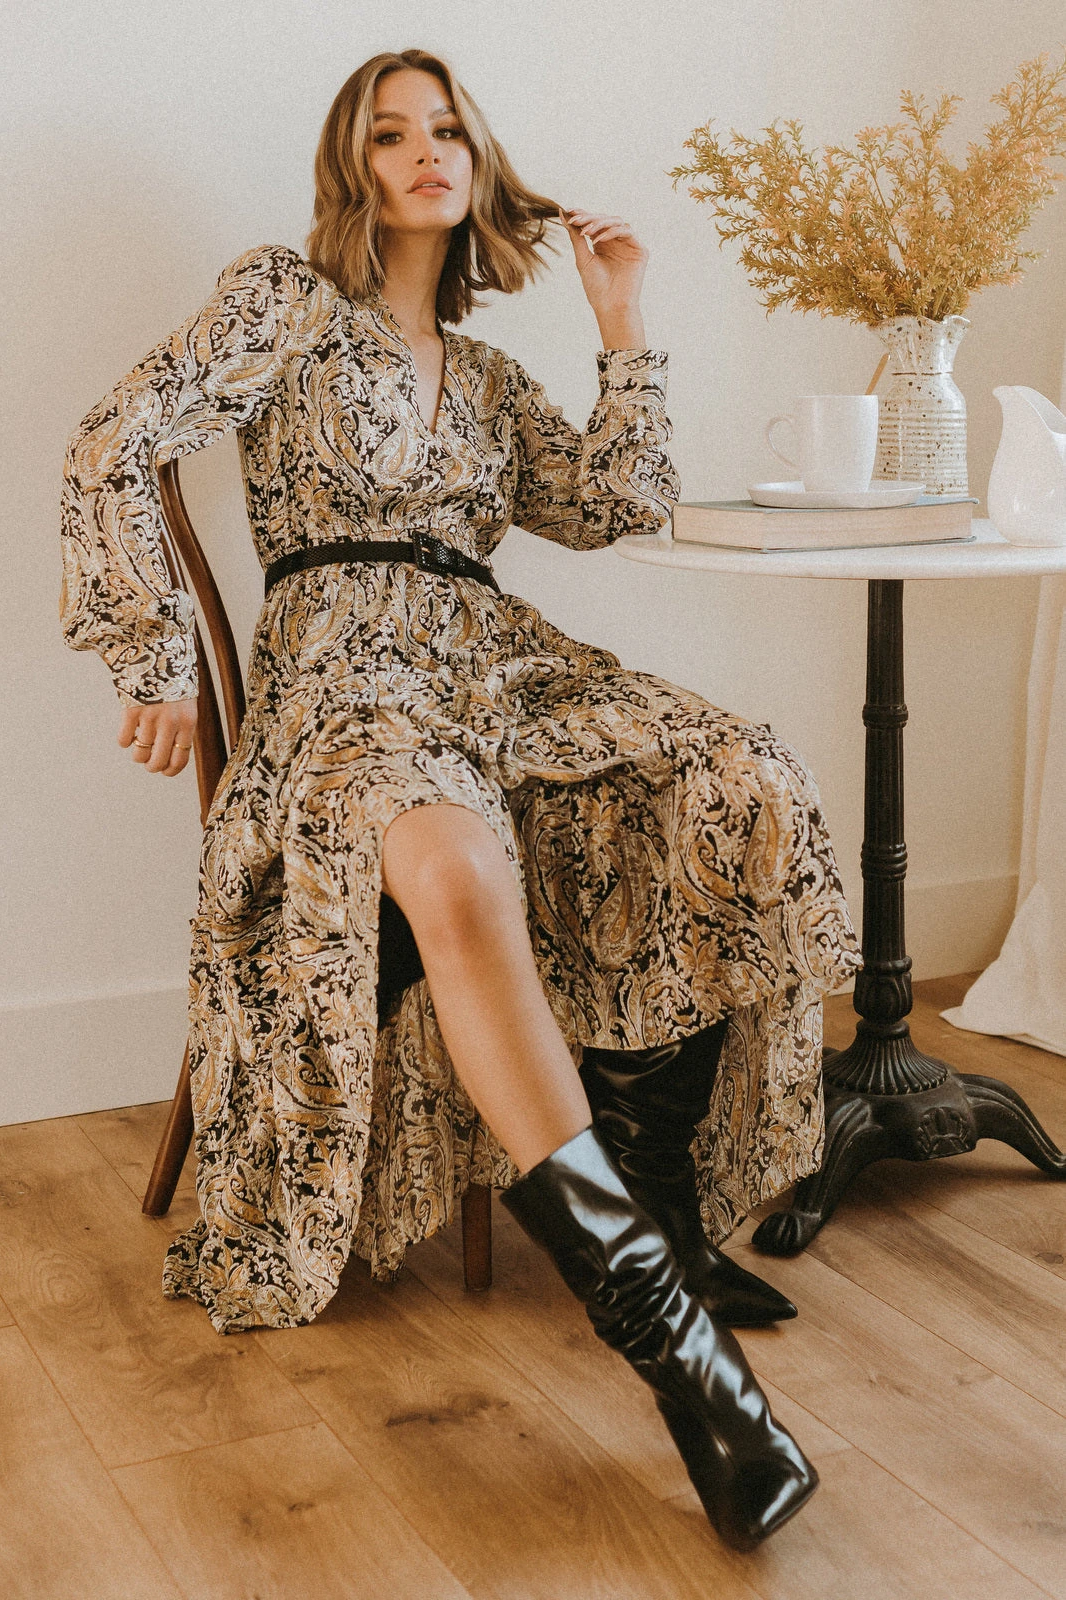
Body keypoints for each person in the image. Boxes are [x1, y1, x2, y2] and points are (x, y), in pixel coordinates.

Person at [59, 48, 861, 1548]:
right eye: (390, 133)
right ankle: (680, 1356)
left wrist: (621, 320)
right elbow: (115, 443)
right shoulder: (281, 302)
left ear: (481, 167)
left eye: (448, 131)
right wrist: (152, 653)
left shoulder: (490, 381)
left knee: (737, 775)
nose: (424, 151)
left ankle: (664, 1217)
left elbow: (616, 504)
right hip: (342, 678)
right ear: (351, 166)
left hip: (496, 667)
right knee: (452, 865)